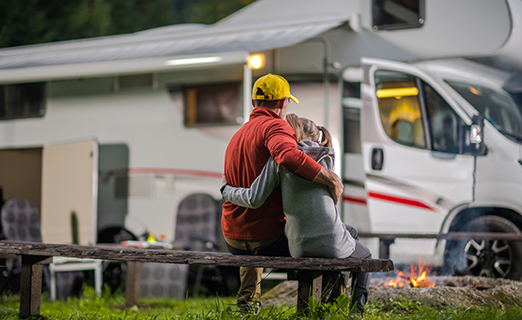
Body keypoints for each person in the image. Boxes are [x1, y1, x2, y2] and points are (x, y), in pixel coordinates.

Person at [222, 114, 372, 314]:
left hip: (297, 243)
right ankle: (352, 311)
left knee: (344, 238)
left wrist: (226, 189)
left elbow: (254, 197)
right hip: (325, 238)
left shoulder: (276, 160)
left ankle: (325, 302)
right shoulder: (327, 156)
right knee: (363, 254)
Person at [221, 74, 343, 312]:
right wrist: (330, 178)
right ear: (283, 102)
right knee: (320, 244)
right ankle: (327, 308)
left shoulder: (238, 135)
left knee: (255, 226)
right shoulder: (275, 125)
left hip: (232, 238)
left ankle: (247, 307)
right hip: (265, 239)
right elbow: (287, 156)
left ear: (255, 102)